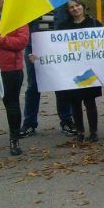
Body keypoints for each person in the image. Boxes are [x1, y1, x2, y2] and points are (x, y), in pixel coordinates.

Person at [19, 9, 76, 139]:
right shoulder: (30, 2)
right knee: (33, 86)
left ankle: (67, 120)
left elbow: (73, 19)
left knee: (61, 85)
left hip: (59, 48)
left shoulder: (61, 2)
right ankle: (29, 123)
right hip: (34, 47)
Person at [56, 0, 103, 143]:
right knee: (74, 103)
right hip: (71, 70)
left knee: (90, 102)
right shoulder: (63, 27)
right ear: (68, 10)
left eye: (77, 5)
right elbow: (54, 47)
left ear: (83, 6)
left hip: (90, 70)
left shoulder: (94, 24)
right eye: (71, 7)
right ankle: (80, 132)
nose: (75, 9)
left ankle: (93, 132)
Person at [0, 0, 29, 156]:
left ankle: (14, 140)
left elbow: (21, 42)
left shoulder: (19, 20)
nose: (1, 3)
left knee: (12, 106)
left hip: (11, 71)